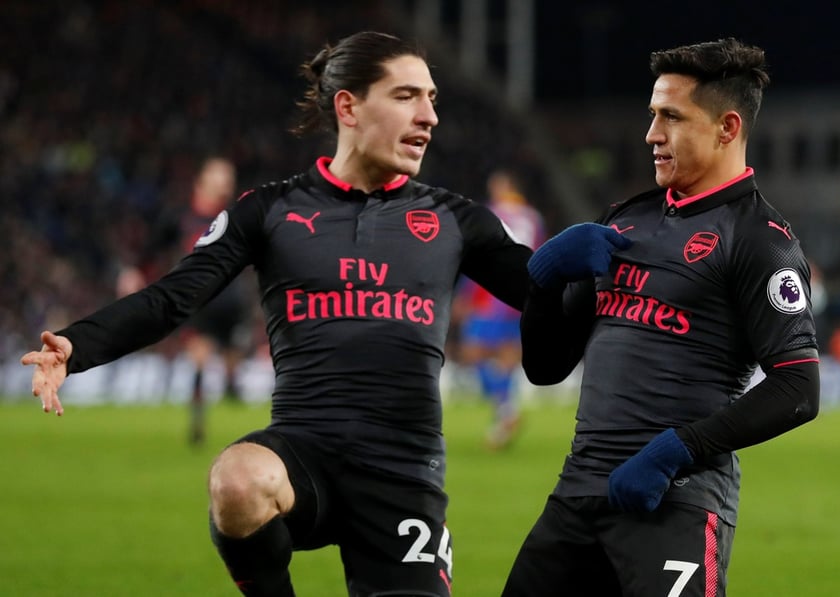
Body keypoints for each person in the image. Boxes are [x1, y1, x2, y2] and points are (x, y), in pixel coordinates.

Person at [21, 31, 532, 597]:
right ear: (349, 106)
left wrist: (620, 267)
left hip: (402, 475)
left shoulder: (456, 219)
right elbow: (173, 297)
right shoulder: (271, 211)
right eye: (408, 95)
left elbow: (549, 296)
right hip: (302, 453)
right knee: (238, 479)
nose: (430, 115)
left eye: (433, 98)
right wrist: (76, 345)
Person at [502, 38, 820, 597]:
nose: (652, 134)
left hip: (677, 500)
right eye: (653, 115)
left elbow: (798, 387)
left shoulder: (758, 240)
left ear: (726, 128)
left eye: (671, 117)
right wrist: (542, 284)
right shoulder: (623, 221)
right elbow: (547, 366)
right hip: (577, 495)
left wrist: (676, 451)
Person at [118, 156, 253, 445]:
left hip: (231, 302)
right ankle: (197, 425)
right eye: (220, 177)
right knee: (200, 359)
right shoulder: (180, 217)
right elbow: (152, 248)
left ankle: (233, 399)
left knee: (231, 369)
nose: (226, 185)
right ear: (202, 181)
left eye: (228, 179)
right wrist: (135, 272)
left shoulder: (236, 215)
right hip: (198, 300)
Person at [456, 169, 545, 449]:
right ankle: (504, 419)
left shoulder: (493, 213)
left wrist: (465, 294)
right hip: (525, 293)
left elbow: (480, 254)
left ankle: (508, 411)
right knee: (507, 357)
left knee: (472, 352)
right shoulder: (533, 217)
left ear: (502, 188)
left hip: (491, 296)